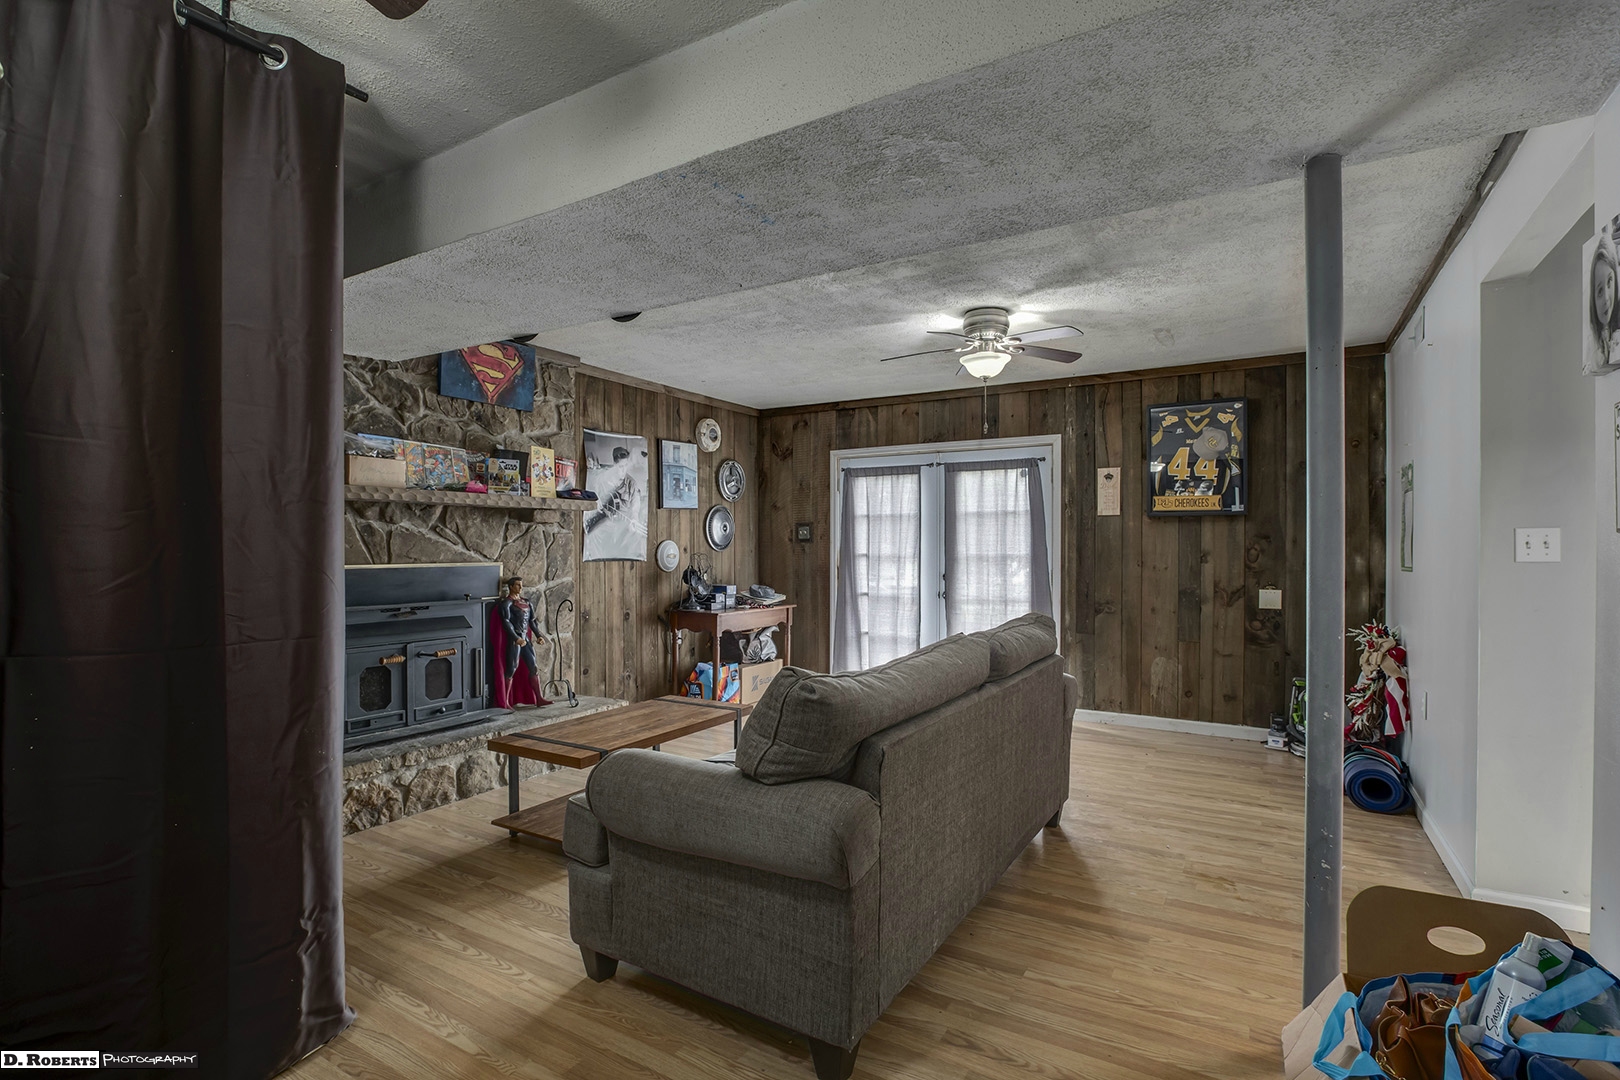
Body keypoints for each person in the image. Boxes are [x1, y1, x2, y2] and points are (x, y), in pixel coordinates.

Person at [497, 576, 550, 707]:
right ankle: (505, 701)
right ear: (511, 587)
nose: (520, 587)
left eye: (521, 585)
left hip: (525, 638)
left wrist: (538, 635)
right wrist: (516, 638)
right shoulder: (507, 604)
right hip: (515, 639)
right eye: (517, 585)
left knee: (533, 667)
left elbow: (532, 621)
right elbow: (506, 622)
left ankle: (539, 698)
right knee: (512, 668)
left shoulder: (526, 602)